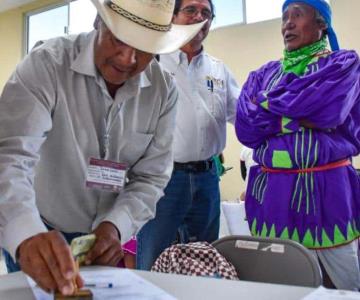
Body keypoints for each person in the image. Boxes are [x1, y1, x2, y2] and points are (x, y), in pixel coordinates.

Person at [0, 0, 204, 295]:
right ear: (98, 21)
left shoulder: (163, 93)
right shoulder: (46, 64)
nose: (127, 58)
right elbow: (10, 156)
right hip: (38, 229)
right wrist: (25, 234)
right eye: (119, 39)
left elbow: (151, 177)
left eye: (144, 48)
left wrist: (115, 227)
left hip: (103, 241)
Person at [235, 0, 360, 290]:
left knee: (345, 284)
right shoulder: (263, 74)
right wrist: (297, 116)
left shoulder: (342, 65)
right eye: (284, 17)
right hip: (274, 196)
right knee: (280, 283)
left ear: (321, 25)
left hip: (328, 193)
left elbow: (329, 111)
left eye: (297, 15)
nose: (287, 23)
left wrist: (268, 106)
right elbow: (246, 125)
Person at [137, 0, 240, 270]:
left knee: (205, 260)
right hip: (164, 181)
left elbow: (243, 116)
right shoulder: (151, 62)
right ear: (172, 17)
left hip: (207, 180)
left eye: (206, 13)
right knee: (153, 260)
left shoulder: (219, 70)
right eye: (191, 10)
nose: (199, 18)